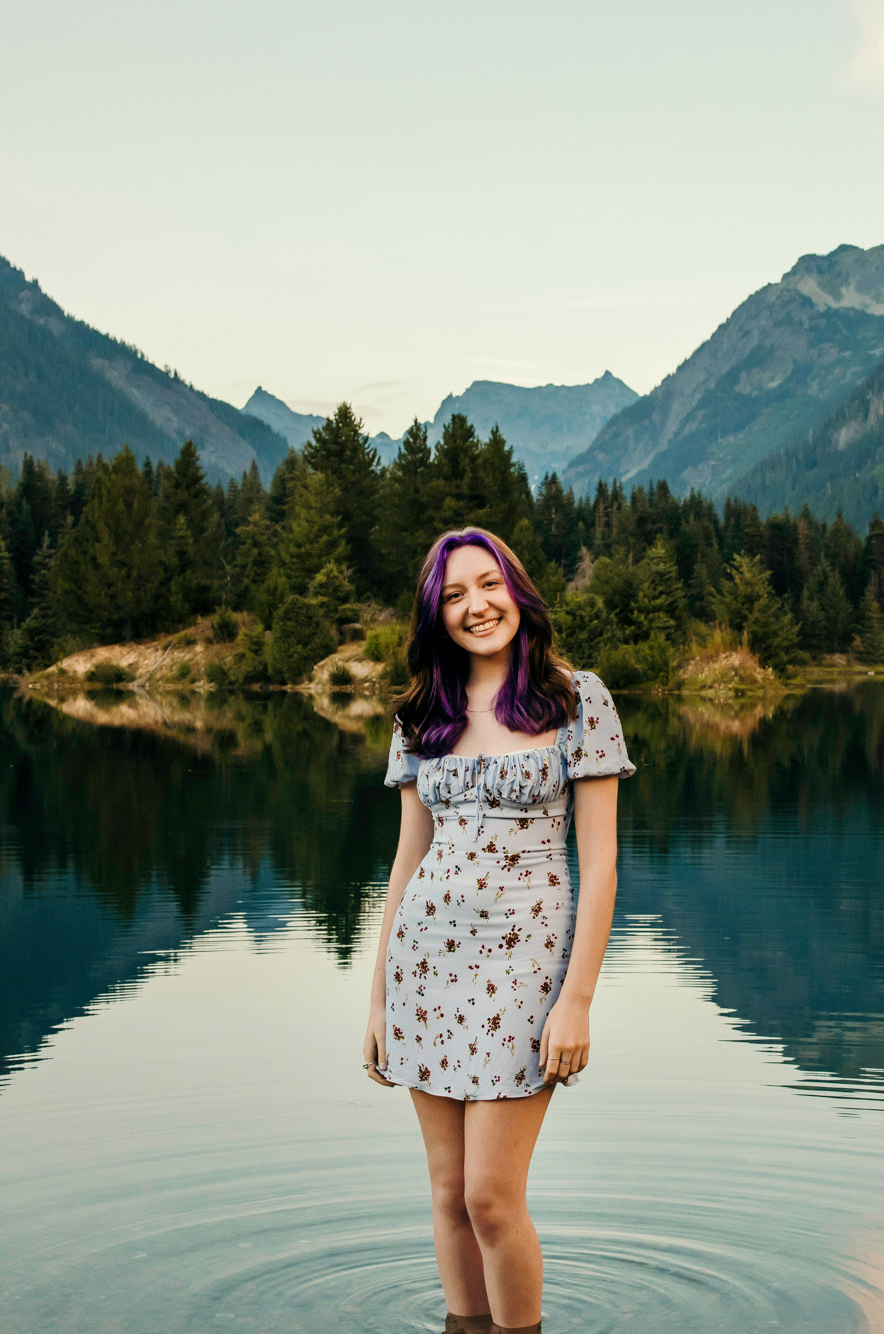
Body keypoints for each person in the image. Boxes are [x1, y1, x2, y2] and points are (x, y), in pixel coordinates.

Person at [362, 526, 635, 1334]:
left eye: (488, 585)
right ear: (434, 615)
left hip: (524, 975)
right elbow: (406, 861)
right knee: (448, 1194)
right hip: (424, 966)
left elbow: (602, 866)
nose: (475, 606)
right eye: (453, 596)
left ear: (517, 589)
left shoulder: (576, 699)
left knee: (490, 1196)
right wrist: (377, 999)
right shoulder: (423, 713)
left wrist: (577, 999)